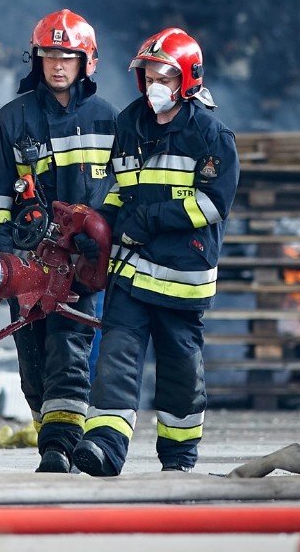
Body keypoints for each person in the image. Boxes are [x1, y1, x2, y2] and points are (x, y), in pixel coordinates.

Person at [71, 27, 239, 477]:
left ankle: (178, 459)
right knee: (116, 357)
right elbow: (116, 188)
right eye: (148, 74)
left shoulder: (210, 135)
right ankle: (104, 448)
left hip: (182, 274)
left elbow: (212, 203)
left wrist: (152, 218)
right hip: (130, 269)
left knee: (180, 369)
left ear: (187, 78)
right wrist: (98, 227)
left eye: (164, 75)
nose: (154, 85)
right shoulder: (129, 123)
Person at [0, 9, 118, 474]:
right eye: (50, 56)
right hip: (29, 262)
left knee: (69, 349)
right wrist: (5, 263)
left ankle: (58, 446)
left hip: (81, 264)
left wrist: (103, 244)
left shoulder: (109, 120)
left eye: (68, 57)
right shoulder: (10, 121)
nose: (58, 65)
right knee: (33, 358)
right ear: (36, 60)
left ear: (86, 62)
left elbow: (122, 193)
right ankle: (51, 431)